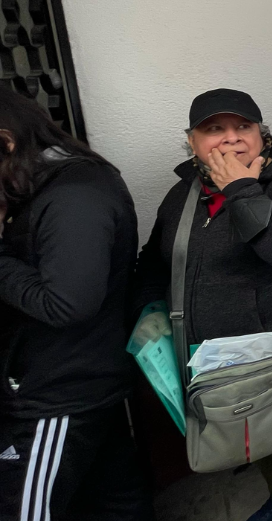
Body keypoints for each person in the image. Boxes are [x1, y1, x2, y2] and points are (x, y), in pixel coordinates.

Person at [132, 88, 272, 520]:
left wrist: (240, 188)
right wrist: (147, 318)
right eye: (214, 129)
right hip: (214, 371)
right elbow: (155, 263)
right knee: (264, 456)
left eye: (243, 127)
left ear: (261, 135)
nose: (230, 138)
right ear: (193, 141)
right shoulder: (183, 195)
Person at [0, 87, 154, 521]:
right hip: (73, 387)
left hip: (59, 395)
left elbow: (67, 304)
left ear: (7, 140)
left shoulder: (74, 195)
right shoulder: (44, 186)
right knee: (112, 505)